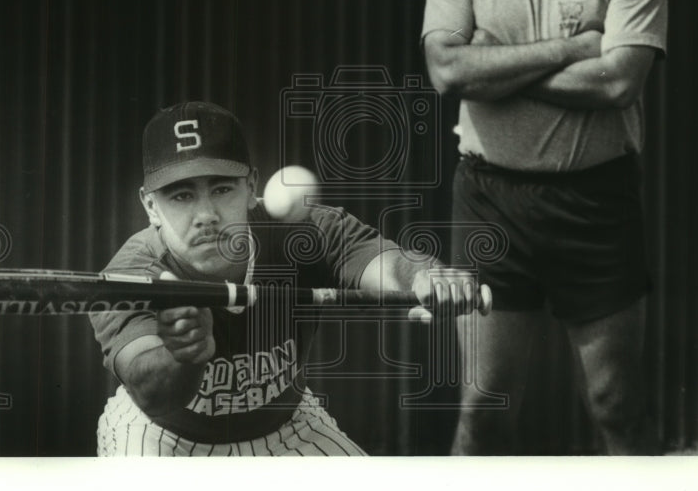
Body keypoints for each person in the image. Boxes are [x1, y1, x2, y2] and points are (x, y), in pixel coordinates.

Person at [421, 0, 667, 454]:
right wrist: (569, 49)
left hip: (596, 200)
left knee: (618, 400)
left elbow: (619, 81)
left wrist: (492, 67)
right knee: (485, 403)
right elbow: (446, 73)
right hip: (491, 201)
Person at [89, 100, 479, 455]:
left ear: (251, 188)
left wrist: (425, 275)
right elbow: (152, 393)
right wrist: (183, 356)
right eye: (181, 196)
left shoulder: (303, 233)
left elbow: (387, 263)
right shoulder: (132, 272)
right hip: (161, 438)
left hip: (288, 428)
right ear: (150, 205)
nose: (206, 214)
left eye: (222, 188)